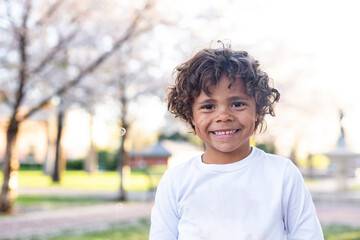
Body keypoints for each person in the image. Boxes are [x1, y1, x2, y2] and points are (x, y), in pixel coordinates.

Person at [149, 44, 324, 240]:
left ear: (257, 109)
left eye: (237, 104)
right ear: (191, 116)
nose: (223, 116)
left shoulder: (283, 174)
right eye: (208, 106)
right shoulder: (175, 181)